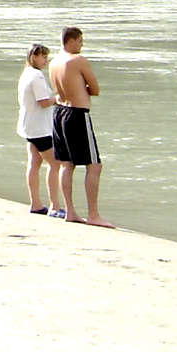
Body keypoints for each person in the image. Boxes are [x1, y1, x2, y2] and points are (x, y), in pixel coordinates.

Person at [50, 26, 110, 227]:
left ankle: (70, 210)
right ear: (71, 40)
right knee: (94, 165)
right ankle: (93, 214)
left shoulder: (54, 62)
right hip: (77, 114)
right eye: (80, 41)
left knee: (67, 164)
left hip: (59, 112)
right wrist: (81, 88)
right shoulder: (77, 60)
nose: (82, 45)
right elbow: (95, 89)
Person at [17, 43, 62, 217]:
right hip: (40, 128)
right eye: (43, 57)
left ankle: (35, 203)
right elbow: (43, 101)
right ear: (34, 57)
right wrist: (58, 98)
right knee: (54, 163)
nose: (46, 60)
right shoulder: (36, 76)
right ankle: (55, 206)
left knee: (34, 163)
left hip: (28, 126)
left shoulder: (26, 73)